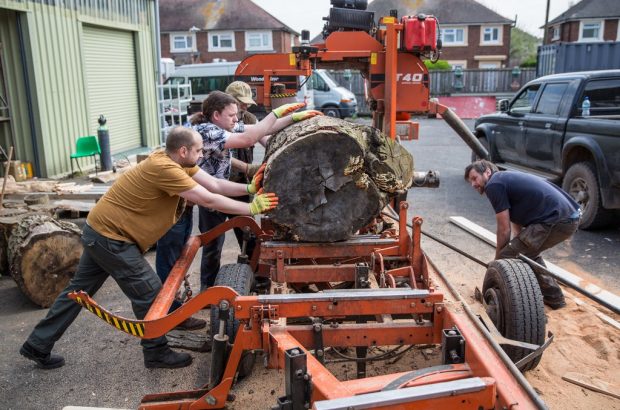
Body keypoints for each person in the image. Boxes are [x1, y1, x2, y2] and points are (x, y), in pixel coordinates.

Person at [19, 126, 278, 370]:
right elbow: (208, 198)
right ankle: (156, 351)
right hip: (111, 238)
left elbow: (216, 185)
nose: (202, 155)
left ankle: (37, 344)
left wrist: (248, 189)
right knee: (152, 294)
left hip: (100, 232)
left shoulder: (176, 161)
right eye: (199, 151)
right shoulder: (165, 168)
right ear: (183, 151)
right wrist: (251, 208)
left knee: (77, 291)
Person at [193, 91, 322, 291]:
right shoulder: (206, 131)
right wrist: (275, 113)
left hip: (227, 188)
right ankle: (208, 290)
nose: (236, 119)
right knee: (213, 244)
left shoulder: (225, 126)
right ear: (216, 115)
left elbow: (259, 130)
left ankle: (256, 280)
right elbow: (247, 139)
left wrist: (293, 118)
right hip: (210, 195)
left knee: (250, 235)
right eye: (231, 115)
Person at [464, 159, 581, 309]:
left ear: (487, 172)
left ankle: (506, 302)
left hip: (557, 220)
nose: (473, 184)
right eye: (470, 182)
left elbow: (503, 228)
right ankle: (554, 298)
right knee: (526, 253)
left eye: (475, 178)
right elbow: (515, 223)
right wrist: (517, 244)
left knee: (507, 257)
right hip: (567, 217)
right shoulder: (503, 180)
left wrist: (499, 258)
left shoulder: (493, 185)